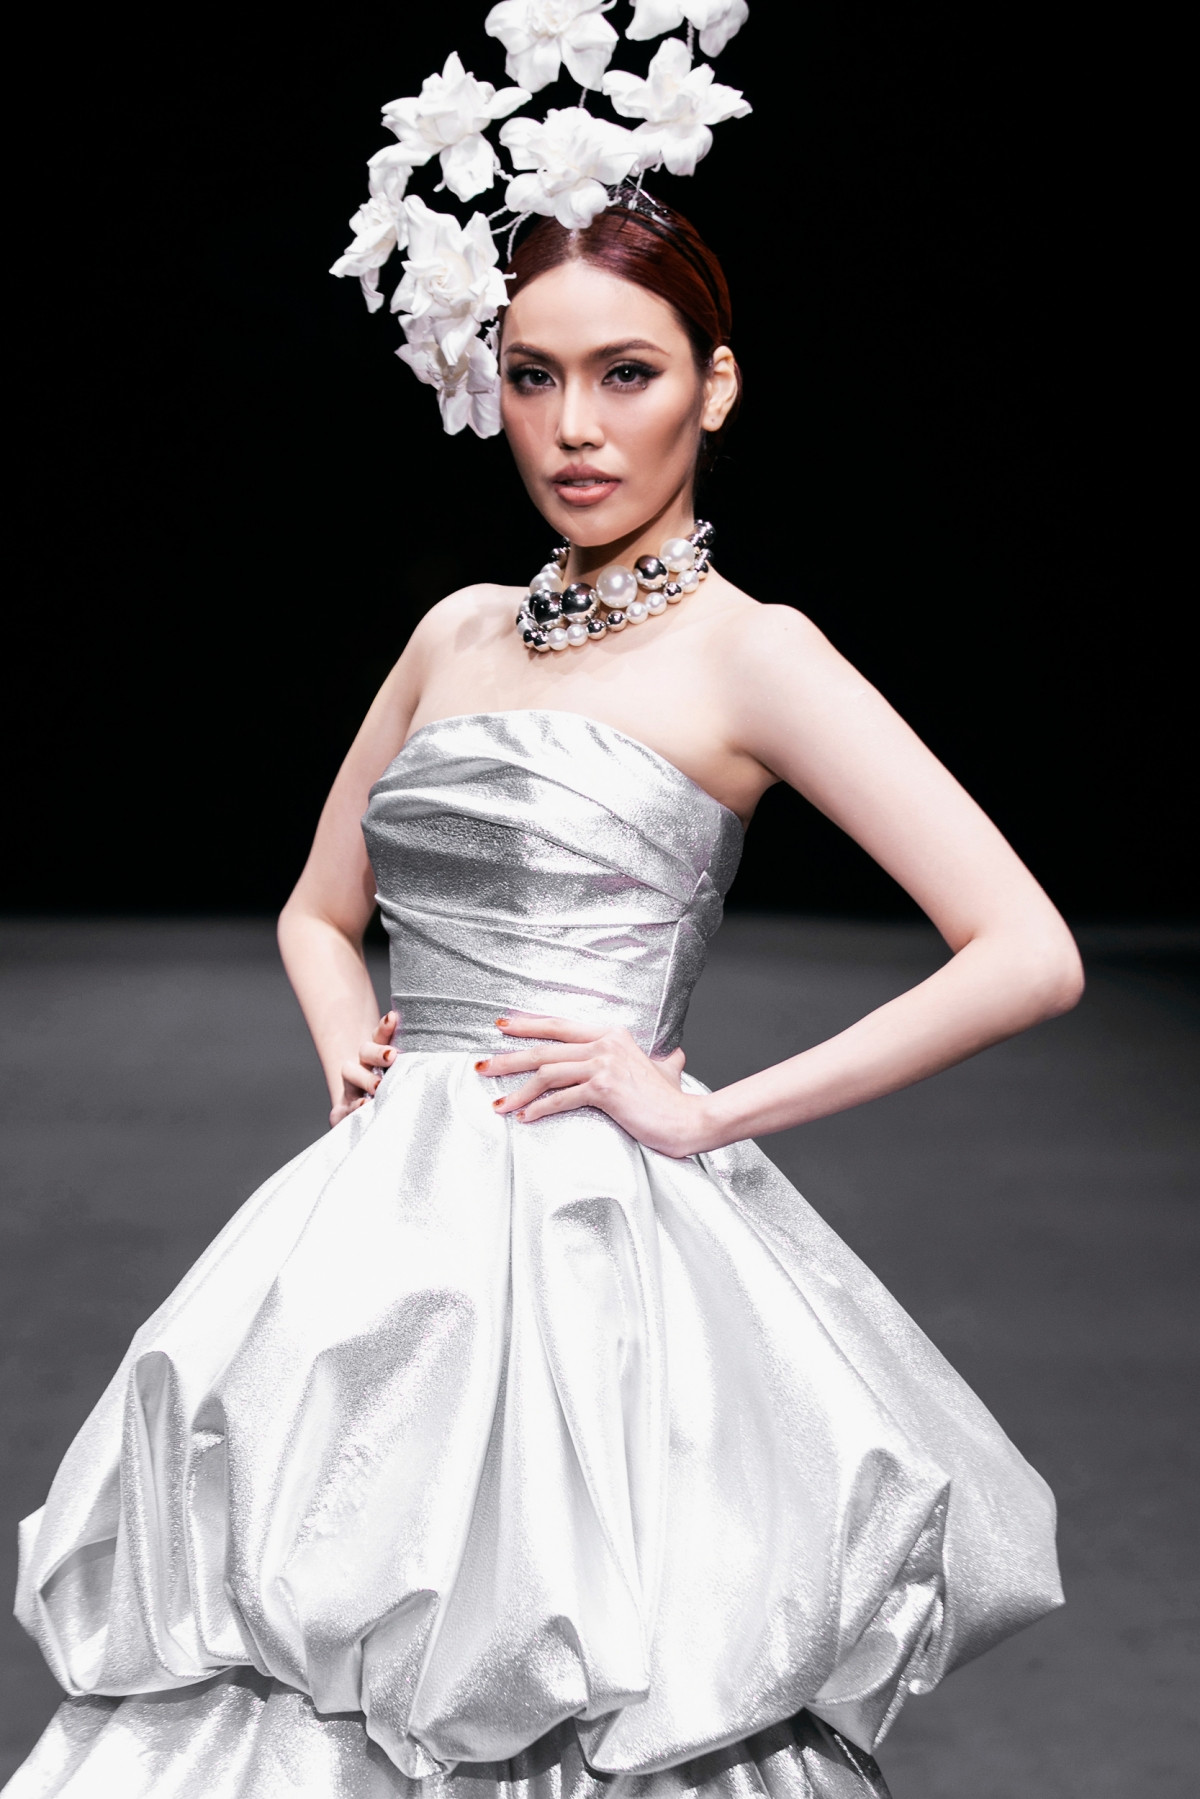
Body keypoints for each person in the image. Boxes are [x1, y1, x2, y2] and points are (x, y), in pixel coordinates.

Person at [6, 189, 1082, 1799]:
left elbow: (1027, 951)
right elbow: (318, 912)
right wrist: (355, 1048)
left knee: (583, 1650)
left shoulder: (756, 655)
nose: (575, 427)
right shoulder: (456, 635)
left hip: (596, 1242)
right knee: (292, 1625)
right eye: (532, 376)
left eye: (627, 374)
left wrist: (709, 1111)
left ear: (716, 385)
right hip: (378, 1226)